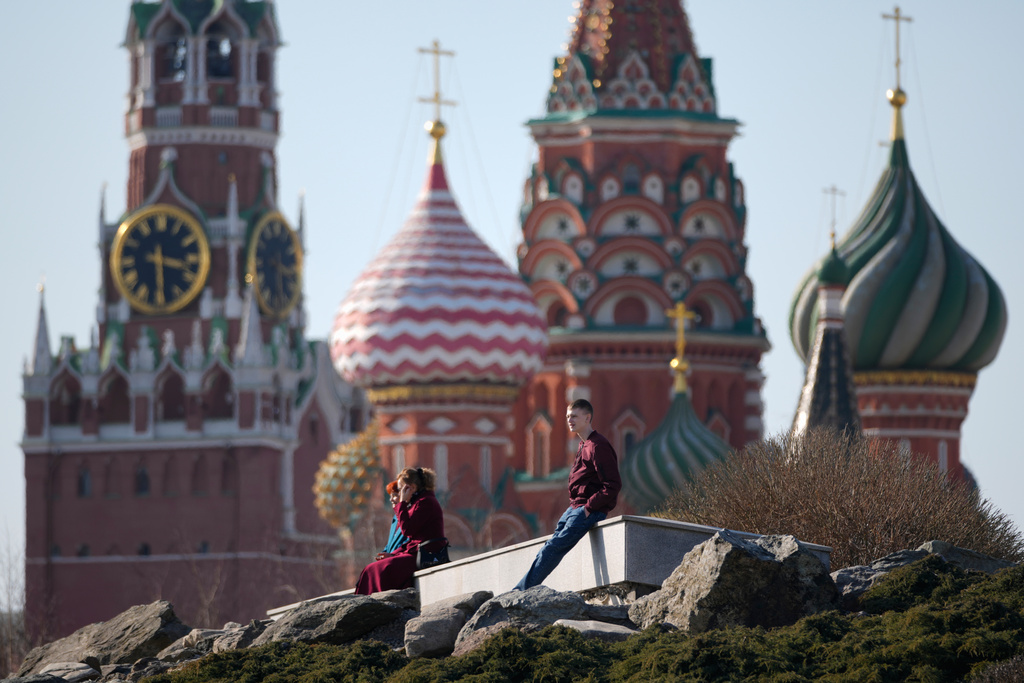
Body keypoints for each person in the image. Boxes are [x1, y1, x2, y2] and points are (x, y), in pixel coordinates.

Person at [514, 398, 621, 591]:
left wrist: (589, 508)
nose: (569, 420)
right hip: (574, 508)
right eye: (567, 416)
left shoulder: (598, 446)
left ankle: (521, 591)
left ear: (587, 418)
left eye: (574, 416)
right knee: (547, 548)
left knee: (553, 548)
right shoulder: (584, 444)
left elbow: (612, 485)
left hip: (587, 509)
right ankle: (523, 589)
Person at [355, 466, 445, 594]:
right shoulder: (419, 502)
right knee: (372, 568)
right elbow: (412, 540)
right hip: (416, 553)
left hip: (425, 555)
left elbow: (407, 530)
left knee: (382, 569)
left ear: (411, 488)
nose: (400, 493)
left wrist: (401, 503)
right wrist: (393, 554)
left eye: (402, 488)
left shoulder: (426, 503)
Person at [377, 480, 409, 560]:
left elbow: (408, 543)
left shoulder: (407, 515)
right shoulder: (395, 518)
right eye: (390, 496)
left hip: (401, 559)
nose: (391, 499)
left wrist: (392, 555)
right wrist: (383, 554)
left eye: (394, 495)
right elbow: (390, 544)